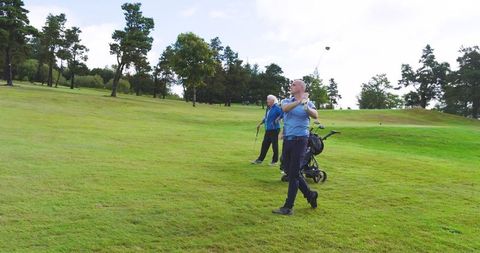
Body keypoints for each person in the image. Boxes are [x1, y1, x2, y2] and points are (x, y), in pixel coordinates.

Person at [272, 79, 319, 215]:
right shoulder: (286, 101)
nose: (290, 86)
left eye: (293, 84)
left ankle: (288, 207)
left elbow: (315, 115)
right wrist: (299, 101)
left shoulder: (308, 103)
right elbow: (285, 109)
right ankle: (311, 195)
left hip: (301, 140)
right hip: (288, 140)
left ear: (301, 88)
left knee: (293, 174)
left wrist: (306, 106)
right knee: (290, 170)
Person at [251, 95, 283, 166]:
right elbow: (266, 118)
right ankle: (260, 160)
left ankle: (274, 161)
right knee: (264, 144)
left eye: (268, 99)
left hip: (275, 129)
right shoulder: (268, 108)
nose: (267, 101)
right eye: (267, 99)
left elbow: (283, 114)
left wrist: (278, 119)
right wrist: (260, 124)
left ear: (273, 101)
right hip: (268, 129)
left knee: (274, 145)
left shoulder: (277, 107)